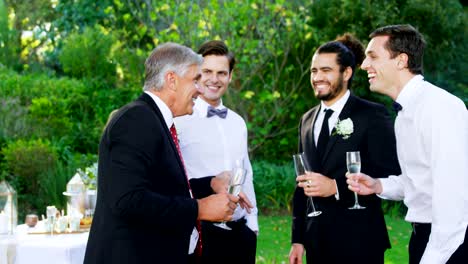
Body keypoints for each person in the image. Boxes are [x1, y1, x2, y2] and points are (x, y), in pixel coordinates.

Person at [83, 43, 240, 264]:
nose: (200, 89)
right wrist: (199, 208)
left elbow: (161, 187)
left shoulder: (155, 120)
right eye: (195, 79)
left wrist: (210, 184)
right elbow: (129, 200)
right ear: (172, 80)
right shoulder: (136, 119)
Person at [347, 24, 468, 264]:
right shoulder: (405, 113)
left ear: (401, 60)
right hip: (423, 237)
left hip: (450, 245)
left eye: (373, 56)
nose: (363, 65)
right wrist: (378, 185)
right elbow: (421, 180)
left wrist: (432, 258)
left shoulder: (440, 108)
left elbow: (454, 199)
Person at [289, 34, 401, 264]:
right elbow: (301, 183)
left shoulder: (372, 115)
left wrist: (335, 188)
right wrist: (298, 239)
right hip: (316, 242)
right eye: (313, 71)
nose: (317, 77)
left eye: (326, 70)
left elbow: (389, 174)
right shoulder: (306, 120)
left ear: (347, 73)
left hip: (359, 241)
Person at [175, 40, 258, 264]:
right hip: (200, 233)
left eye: (222, 73)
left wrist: (253, 225)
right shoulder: (180, 121)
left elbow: (245, 172)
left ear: (230, 76)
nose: (214, 79)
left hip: (240, 235)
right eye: (207, 72)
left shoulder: (238, 122)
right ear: (196, 74)